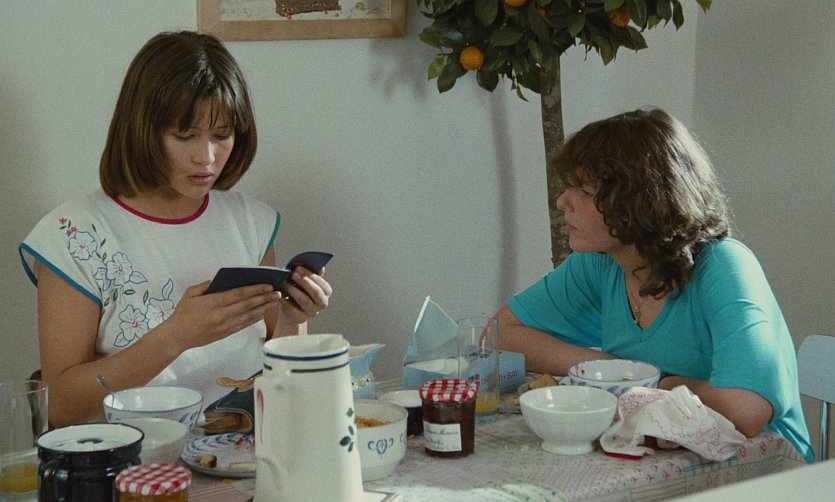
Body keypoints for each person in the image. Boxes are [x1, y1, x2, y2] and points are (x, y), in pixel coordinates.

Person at [19, 31, 332, 427]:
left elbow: (283, 386)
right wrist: (176, 335)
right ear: (142, 130)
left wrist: (292, 320)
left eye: (222, 135)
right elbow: (62, 410)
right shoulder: (75, 235)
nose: (207, 157)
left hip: (244, 450)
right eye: (185, 136)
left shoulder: (250, 222)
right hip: (128, 458)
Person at [495, 108, 814, 463]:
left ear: (640, 200)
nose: (561, 201)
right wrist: (610, 369)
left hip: (765, 475)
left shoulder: (724, 266)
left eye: (583, 190)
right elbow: (500, 333)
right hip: (664, 462)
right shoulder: (601, 262)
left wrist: (657, 382)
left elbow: (745, 409)